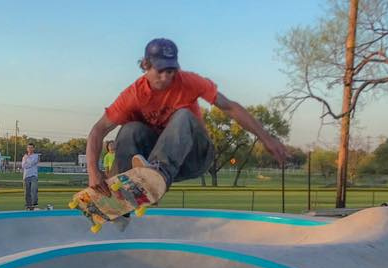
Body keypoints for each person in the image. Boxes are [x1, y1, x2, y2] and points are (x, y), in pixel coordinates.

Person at [85, 38, 287, 197]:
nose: (166, 78)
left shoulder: (189, 82)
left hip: (195, 156)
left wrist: (266, 138)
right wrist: (93, 171)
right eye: (161, 71)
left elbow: (230, 107)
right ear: (145, 65)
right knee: (130, 130)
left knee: (183, 115)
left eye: (171, 71)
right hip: (160, 156)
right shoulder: (133, 95)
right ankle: (119, 191)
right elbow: (98, 131)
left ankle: (156, 174)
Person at [21, 142, 40, 210]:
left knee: (34, 190)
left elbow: (32, 163)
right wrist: (27, 161)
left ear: (33, 148)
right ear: (27, 149)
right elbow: (23, 166)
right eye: (29, 148)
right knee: (27, 192)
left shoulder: (36, 156)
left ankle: (34, 203)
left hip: (33, 175)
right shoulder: (24, 157)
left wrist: (27, 161)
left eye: (31, 148)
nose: (30, 149)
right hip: (26, 176)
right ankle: (28, 206)